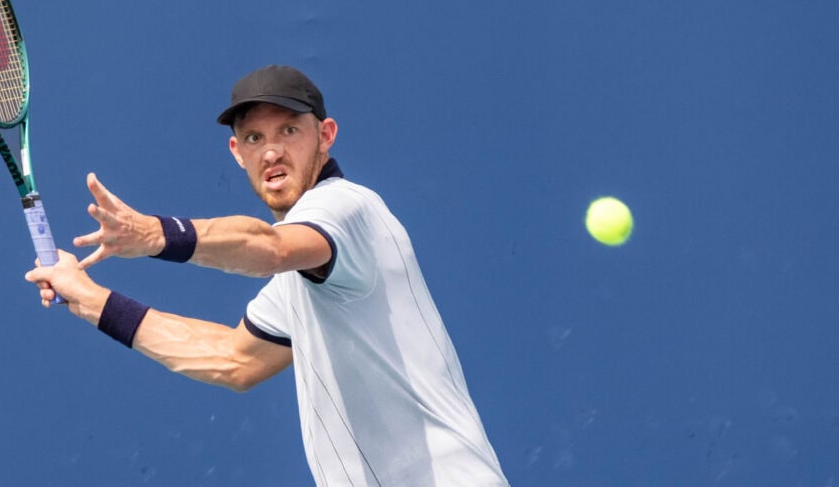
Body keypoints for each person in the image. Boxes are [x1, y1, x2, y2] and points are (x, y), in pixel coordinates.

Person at [25, 65, 509, 486]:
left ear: (326, 135)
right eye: (255, 138)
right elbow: (234, 361)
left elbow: (271, 248)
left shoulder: (346, 207)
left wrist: (155, 234)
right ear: (237, 152)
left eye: (289, 132)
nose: (271, 151)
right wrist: (88, 298)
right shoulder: (308, 281)